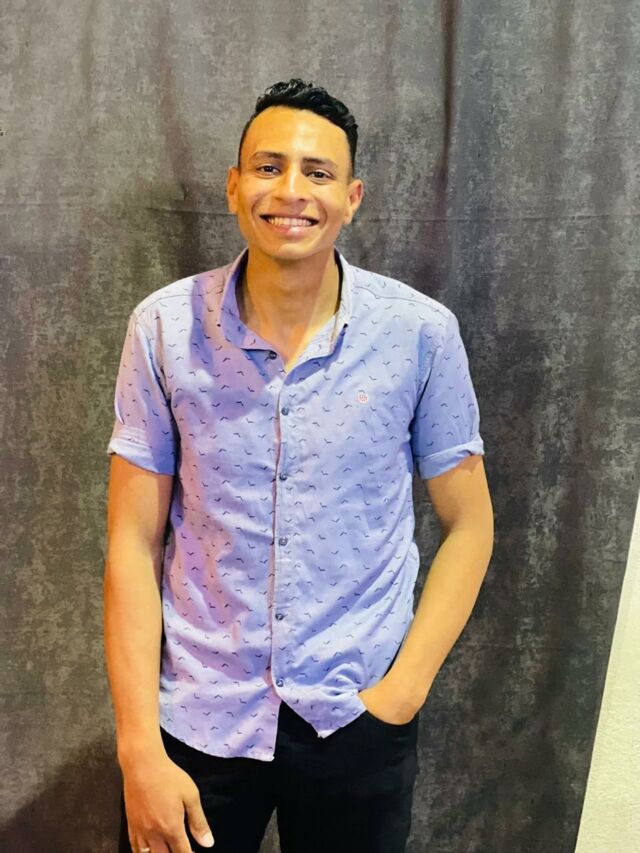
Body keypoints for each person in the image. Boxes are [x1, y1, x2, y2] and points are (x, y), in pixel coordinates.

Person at [104, 77, 494, 853]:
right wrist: (138, 746)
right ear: (233, 186)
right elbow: (131, 541)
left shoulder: (419, 334)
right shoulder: (163, 329)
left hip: (356, 719)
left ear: (351, 198)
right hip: (198, 722)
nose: (291, 191)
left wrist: (403, 688)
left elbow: (470, 523)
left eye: (317, 173)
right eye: (268, 166)